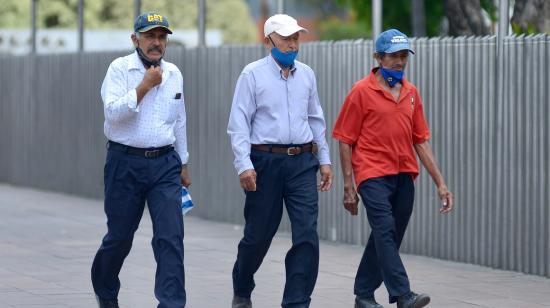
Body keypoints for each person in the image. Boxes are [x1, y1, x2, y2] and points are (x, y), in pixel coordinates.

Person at [332, 29, 454, 308]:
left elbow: (421, 141)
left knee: (387, 236)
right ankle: (402, 294)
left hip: (403, 174)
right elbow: (344, 140)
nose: (399, 62)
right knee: (385, 229)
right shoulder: (361, 91)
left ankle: (363, 294)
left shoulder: (411, 93)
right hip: (372, 173)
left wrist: (441, 183)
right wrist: (349, 186)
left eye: (403, 57)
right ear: (378, 57)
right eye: (393, 56)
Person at [227, 14, 333, 308]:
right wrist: (244, 165)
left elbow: (316, 119)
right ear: (268, 40)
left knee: (307, 234)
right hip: (264, 163)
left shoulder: (307, 74)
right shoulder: (252, 74)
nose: (292, 44)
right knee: (258, 236)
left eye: (296, 38)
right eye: (286, 38)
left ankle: (296, 302)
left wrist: (324, 159)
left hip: (302, 162)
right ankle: (242, 286)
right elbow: (238, 124)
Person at [91, 12, 190, 308]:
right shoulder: (119, 69)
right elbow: (112, 113)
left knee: (170, 238)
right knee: (120, 237)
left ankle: (171, 303)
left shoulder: (174, 73)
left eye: (161, 37)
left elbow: (180, 120)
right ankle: (105, 288)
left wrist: (183, 162)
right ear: (135, 39)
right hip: (125, 163)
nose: (156, 42)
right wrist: (145, 85)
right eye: (150, 36)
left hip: (164, 165)